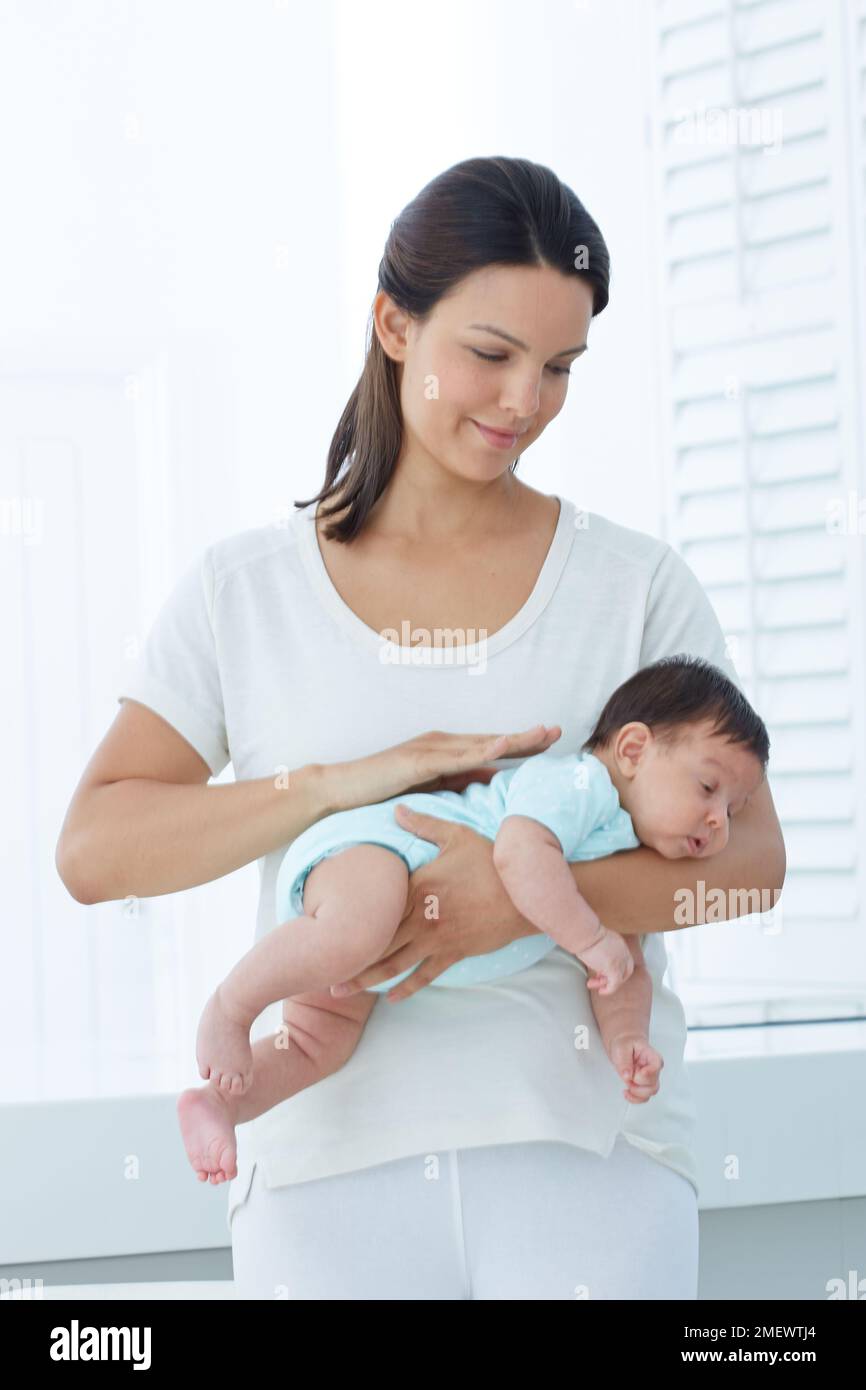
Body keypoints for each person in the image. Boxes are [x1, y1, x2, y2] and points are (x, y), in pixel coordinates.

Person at [56, 155, 785, 1300]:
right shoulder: (242, 590)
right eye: (490, 356)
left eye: (559, 368)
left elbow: (749, 866)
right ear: (393, 324)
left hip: (588, 1159)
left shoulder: (633, 587)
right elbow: (96, 855)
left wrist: (513, 895)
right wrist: (339, 785)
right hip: (321, 1178)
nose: (522, 404)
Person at [178, 655, 769, 1192]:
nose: (718, 822)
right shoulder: (581, 786)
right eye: (709, 788)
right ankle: (230, 1008)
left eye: (733, 811)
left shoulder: (629, 858)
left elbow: (625, 969)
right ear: (634, 750)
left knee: (316, 1042)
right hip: (386, 852)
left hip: (376, 946)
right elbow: (520, 856)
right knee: (357, 928)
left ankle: (221, 1105)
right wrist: (592, 941)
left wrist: (627, 1039)